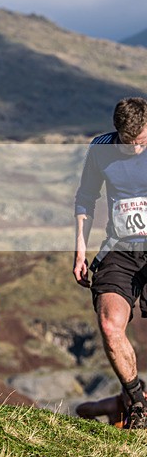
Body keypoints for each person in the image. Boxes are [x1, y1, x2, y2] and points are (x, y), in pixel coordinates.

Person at [73, 96, 147, 429]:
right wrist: (80, 250)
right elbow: (86, 197)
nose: (135, 149)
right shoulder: (101, 148)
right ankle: (138, 403)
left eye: (142, 142)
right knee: (109, 324)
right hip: (119, 249)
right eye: (128, 144)